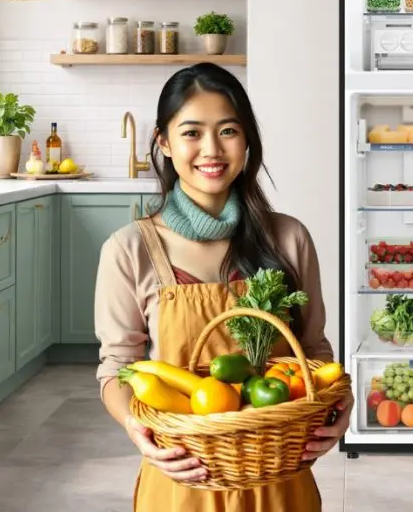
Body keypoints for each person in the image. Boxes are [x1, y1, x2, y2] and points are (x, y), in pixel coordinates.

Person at [94, 62, 350, 510]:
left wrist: (338, 408)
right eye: (191, 132)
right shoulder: (130, 249)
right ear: (164, 143)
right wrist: (136, 429)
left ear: (247, 139)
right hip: (181, 478)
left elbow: (315, 352)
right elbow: (118, 368)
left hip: (278, 481)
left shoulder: (288, 238)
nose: (211, 149)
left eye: (228, 130)